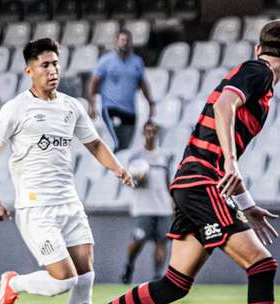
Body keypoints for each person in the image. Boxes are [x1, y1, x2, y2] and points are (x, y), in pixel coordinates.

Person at [109, 19, 280, 304]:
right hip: (202, 182)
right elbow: (224, 105)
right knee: (262, 266)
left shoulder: (256, 77)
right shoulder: (259, 71)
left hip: (192, 182)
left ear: (258, 47)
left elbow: (218, 141)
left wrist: (248, 205)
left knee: (174, 285)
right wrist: (231, 162)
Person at [0, 38, 134, 304]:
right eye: (45, 65)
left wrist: (118, 168)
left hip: (70, 203)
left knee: (85, 277)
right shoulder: (17, 108)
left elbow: (94, 143)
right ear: (30, 71)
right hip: (37, 208)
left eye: (56, 64)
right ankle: (13, 283)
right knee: (65, 280)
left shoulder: (71, 106)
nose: (53, 71)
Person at [121, 120, 173, 284]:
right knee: (138, 240)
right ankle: (129, 265)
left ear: (157, 134)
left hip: (163, 208)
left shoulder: (164, 156)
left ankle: (158, 276)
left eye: (153, 131)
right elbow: (128, 182)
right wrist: (138, 179)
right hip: (143, 207)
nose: (150, 135)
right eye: (147, 131)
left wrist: (172, 201)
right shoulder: (136, 157)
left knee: (162, 242)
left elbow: (167, 182)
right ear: (143, 133)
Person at [87, 29, 155, 152]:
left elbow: (143, 84)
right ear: (116, 42)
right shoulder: (106, 61)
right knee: (114, 143)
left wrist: (150, 103)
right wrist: (92, 104)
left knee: (125, 147)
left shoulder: (137, 62)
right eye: (122, 40)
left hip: (130, 111)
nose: (125, 43)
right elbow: (93, 82)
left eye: (128, 40)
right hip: (111, 108)